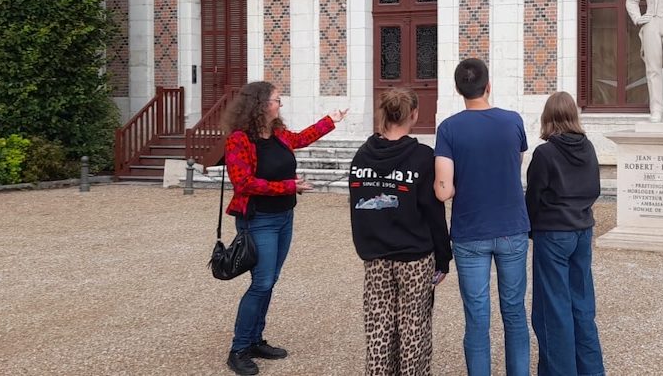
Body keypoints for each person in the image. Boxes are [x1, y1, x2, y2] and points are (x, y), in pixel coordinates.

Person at [222, 81, 347, 375]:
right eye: (277, 99)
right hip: (258, 219)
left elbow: (301, 138)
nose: (281, 104)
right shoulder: (239, 140)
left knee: (270, 279)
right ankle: (238, 348)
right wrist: (289, 186)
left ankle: (254, 339)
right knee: (261, 283)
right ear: (261, 104)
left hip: (283, 217)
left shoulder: (277, 133)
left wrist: (330, 121)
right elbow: (244, 182)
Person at [434, 58, 531, 376]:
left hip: (470, 230)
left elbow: (443, 191)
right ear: (488, 86)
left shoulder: (448, 128)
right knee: (514, 312)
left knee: (477, 317)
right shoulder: (513, 121)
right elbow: (514, 163)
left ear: (458, 89)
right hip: (511, 227)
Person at [348, 88, 452, 376]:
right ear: (414, 115)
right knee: (413, 326)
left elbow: (357, 208)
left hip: (377, 255)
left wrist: (366, 244)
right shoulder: (421, 158)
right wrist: (444, 257)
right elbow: (434, 213)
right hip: (414, 256)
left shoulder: (360, 158)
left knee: (379, 328)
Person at [525, 92, 605, 376]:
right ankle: (592, 371)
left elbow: (533, 196)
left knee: (553, 310)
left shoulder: (545, 153)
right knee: (582, 305)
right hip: (582, 230)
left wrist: (532, 227)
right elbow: (595, 188)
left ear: (548, 118)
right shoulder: (589, 147)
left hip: (553, 233)